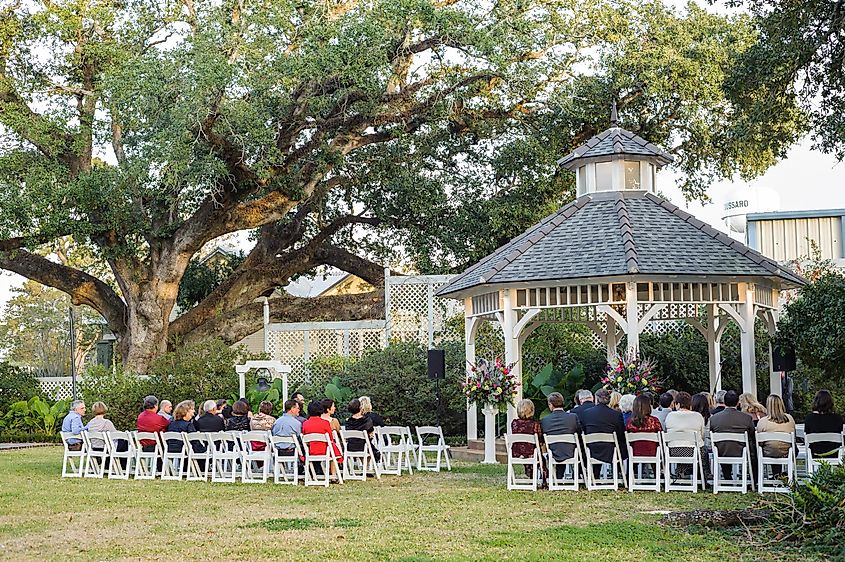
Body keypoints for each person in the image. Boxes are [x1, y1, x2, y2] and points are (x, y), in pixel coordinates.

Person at [580, 388, 627, 478]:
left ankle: (595, 475)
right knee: (620, 445)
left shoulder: (586, 413)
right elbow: (621, 433)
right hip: (611, 450)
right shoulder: (616, 414)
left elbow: (584, 432)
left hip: (592, 450)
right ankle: (618, 474)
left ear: (596, 399)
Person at [709, 390, 755, 481]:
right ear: (738, 403)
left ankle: (727, 476)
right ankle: (754, 479)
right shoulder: (747, 418)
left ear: (724, 402)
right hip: (741, 451)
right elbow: (752, 434)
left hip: (721, 452)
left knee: (724, 445)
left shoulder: (714, 418)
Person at [664, 391, 706, 479]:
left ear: (677, 404)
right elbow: (702, 435)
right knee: (700, 449)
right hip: (694, 452)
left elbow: (666, 432)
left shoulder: (670, 416)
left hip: (673, 452)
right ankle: (702, 477)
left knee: (681, 446)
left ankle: (681, 472)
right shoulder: (698, 416)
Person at [540, 392, 580, 478]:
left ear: (550, 405)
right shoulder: (573, 417)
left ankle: (557, 477)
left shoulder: (545, 420)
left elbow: (542, 440)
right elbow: (579, 432)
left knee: (558, 446)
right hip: (570, 452)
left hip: (553, 452)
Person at [756, 394, 796, 477]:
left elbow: (760, 442)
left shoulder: (762, 422)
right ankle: (781, 474)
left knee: (772, 447)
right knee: (781, 447)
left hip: (769, 452)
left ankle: (777, 475)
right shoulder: (790, 419)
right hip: (787, 452)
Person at [510, 399, 545, 481]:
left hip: (517, 452)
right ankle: (543, 477)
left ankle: (529, 472)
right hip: (531, 453)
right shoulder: (535, 424)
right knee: (541, 457)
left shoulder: (514, 423)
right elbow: (540, 439)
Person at [804, 389, 845, 459]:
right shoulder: (838, 418)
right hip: (835, 453)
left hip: (815, 453)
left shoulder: (809, 418)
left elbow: (807, 433)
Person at [301, 401, 342, 469]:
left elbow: (305, 439)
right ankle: (333, 474)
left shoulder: (305, 423)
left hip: (311, 451)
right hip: (325, 450)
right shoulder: (325, 423)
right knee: (333, 449)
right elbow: (330, 439)